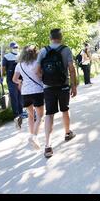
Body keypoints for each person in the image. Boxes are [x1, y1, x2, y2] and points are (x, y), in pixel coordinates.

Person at [36, 29, 77, 158]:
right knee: (65, 110)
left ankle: (48, 145)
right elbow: (71, 69)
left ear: (50, 37)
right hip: (63, 86)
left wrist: (45, 80)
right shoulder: (66, 50)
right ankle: (67, 133)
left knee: (49, 114)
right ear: (61, 37)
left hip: (48, 87)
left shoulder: (43, 51)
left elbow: (37, 71)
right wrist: (74, 85)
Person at [12, 45, 44, 150]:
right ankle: (34, 136)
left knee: (31, 116)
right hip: (37, 91)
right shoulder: (37, 63)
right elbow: (40, 76)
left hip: (25, 92)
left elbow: (14, 79)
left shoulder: (19, 65)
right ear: (35, 53)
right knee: (39, 116)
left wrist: (20, 81)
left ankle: (31, 135)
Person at [1, 41, 23, 129]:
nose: (15, 48)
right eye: (14, 47)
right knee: (14, 96)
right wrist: (1, 76)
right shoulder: (6, 57)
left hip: (20, 79)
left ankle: (21, 112)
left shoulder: (21, 55)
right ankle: (16, 115)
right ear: (10, 48)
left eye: (16, 47)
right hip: (11, 80)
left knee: (20, 96)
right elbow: (3, 67)